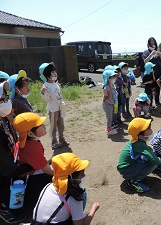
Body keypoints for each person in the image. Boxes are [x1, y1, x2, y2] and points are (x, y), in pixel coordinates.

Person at [31, 153, 100, 224]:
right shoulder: (74, 197)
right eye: (82, 173)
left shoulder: (48, 186)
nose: (84, 176)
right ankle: (77, 216)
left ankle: (77, 216)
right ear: (72, 178)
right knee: (83, 193)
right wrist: (93, 209)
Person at [0, 82, 33, 224]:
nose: (7, 101)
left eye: (6, 98)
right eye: (3, 99)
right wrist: (21, 169)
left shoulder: (3, 118)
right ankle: (3, 211)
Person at [117, 118, 161, 193]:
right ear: (140, 136)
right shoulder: (140, 144)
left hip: (125, 168)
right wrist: (160, 160)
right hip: (126, 171)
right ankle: (134, 181)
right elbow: (155, 160)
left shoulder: (136, 140)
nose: (151, 130)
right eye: (148, 129)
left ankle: (135, 176)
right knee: (153, 163)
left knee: (147, 157)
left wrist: (148, 149)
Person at [39, 62, 69, 149]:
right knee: (53, 126)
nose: (55, 73)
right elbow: (47, 99)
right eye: (52, 72)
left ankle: (62, 139)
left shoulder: (55, 84)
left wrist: (57, 86)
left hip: (59, 108)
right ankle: (54, 142)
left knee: (61, 124)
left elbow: (58, 95)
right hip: (53, 109)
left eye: (55, 72)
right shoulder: (45, 85)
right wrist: (43, 92)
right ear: (47, 75)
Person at [142, 37, 161, 106]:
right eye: (151, 42)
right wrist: (151, 54)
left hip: (159, 72)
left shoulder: (158, 51)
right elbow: (145, 61)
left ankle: (157, 101)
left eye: (153, 42)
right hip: (150, 73)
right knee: (150, 88)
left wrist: (160, 54)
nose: (152, 43)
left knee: (158, 88)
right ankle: (149, 103)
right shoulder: (146, 52)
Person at [102, 69, 118, 136]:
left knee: (111, 117)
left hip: (112, 103)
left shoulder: (112, 85)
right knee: (109, 118)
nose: (114, 78)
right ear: (108, 78)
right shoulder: (106, 87)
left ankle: (110, 128)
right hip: (107, 104)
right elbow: (105, 97)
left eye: (114, 76)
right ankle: (109, 130)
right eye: (112, 77)